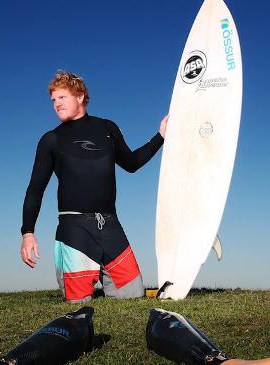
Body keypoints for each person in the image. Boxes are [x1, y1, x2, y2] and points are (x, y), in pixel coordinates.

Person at [20, 70, 168, 303]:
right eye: (53, 100)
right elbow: (35, 189)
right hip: (75, 230)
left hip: (111, 226)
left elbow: (131, 164)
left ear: (80, 96)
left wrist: (160, 136)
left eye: (62, 97)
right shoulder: (51, 139)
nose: (56, 104)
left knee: (132, 295)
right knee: (78, 303)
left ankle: (101, 268)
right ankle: (84, 272)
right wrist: (28, 233)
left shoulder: (107, 128)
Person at [146, 308, 270, 365]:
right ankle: (220, 362)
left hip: (160, 325)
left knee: (164, 320)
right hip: (161, 325)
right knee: (164, 321)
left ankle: (220, 362)